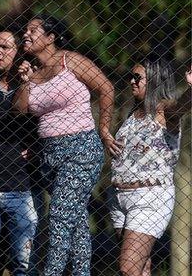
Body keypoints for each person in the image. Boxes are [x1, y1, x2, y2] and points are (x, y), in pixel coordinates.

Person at [14, 14, 115, 275]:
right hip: (49, 158)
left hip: (80, 150)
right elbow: (19, 111)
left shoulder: (70, 60)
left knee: (58, 216)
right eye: (25, 30)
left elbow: (106, 88)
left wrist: (103, 129)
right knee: (76, 221)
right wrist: (25, 82)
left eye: (34, 30)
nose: (26, 34)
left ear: (51, 37)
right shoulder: (32, 75)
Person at [109, 59, 191, 276]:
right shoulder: (132, 113)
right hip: (120, 198)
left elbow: (181, 107)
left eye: (138, 78)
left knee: (127, 268)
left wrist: (191, 90)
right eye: (131, 76)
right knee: (141, 267)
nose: (131, 81)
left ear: (155, 81)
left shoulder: (164, 110)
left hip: (149, 197)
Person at [0, 25, 39, 275]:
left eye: (5, 47)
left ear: (20, 53)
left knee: (23, 265)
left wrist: (35, 147)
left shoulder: (35, 88)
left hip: (20, 189)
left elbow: (34, 121)